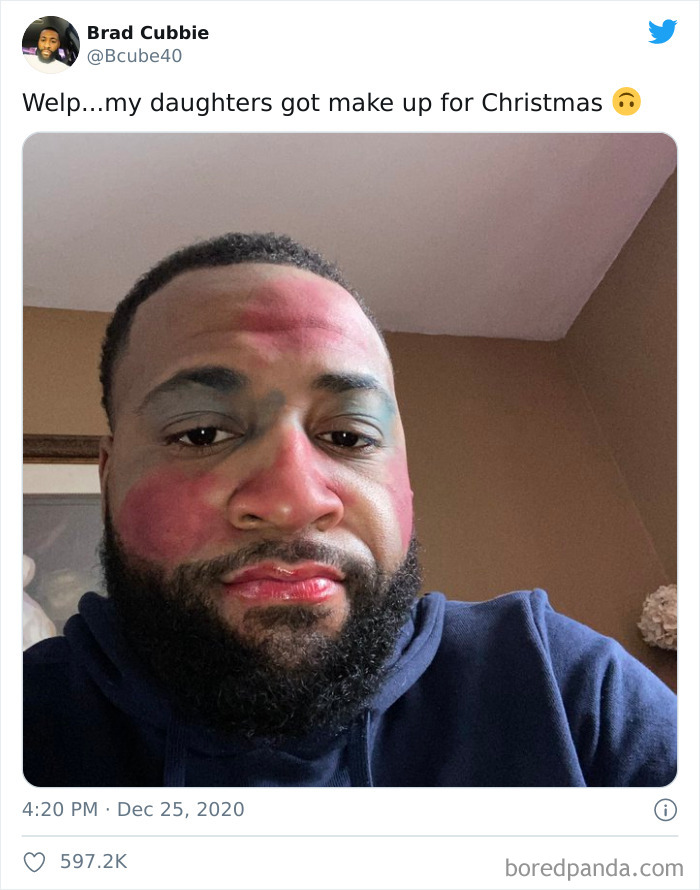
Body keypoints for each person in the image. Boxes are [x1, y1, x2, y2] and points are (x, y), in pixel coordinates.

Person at [23, 232, 676, 787]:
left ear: (404, 479)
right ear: (108, 479)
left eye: (348, 436)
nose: (293, 501)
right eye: (201, 433)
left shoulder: (565, 689)